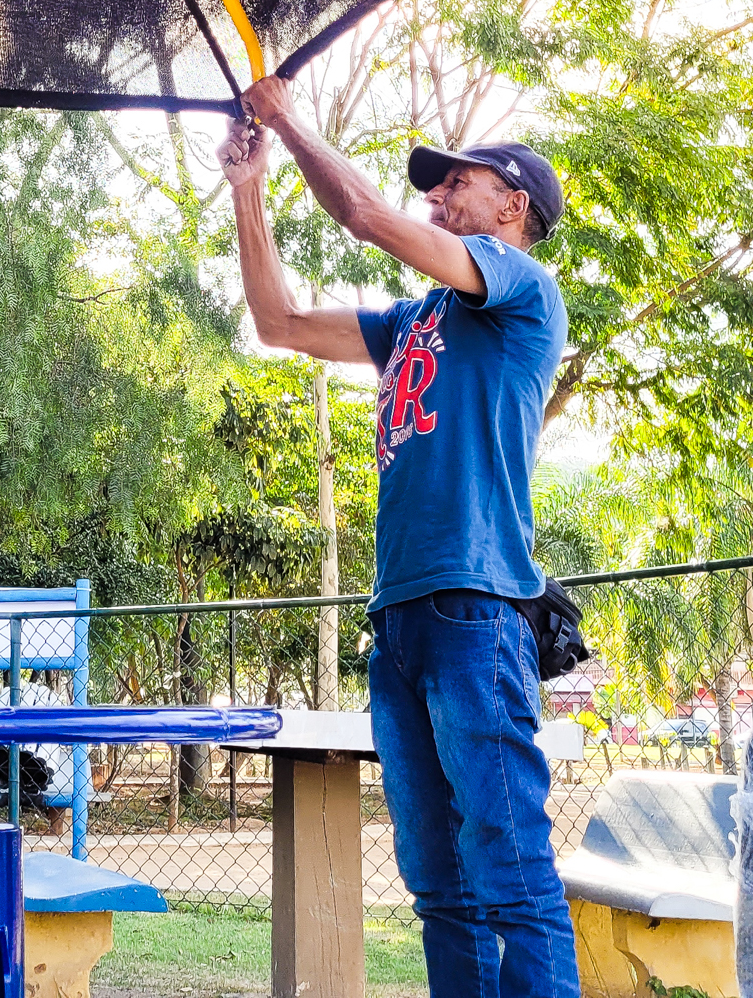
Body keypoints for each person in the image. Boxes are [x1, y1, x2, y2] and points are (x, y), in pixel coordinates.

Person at [217, 75, 574, 998]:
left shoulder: (523, 289)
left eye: (459, 182)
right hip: (402, 625)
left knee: (510, 873)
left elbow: (369, 215)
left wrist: (289, 117)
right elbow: (279, 322)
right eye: (438, 184)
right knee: (438, 886)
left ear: (513, 203)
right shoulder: (415, 320)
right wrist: (247, 191)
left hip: (476, 610)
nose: (439, 195)